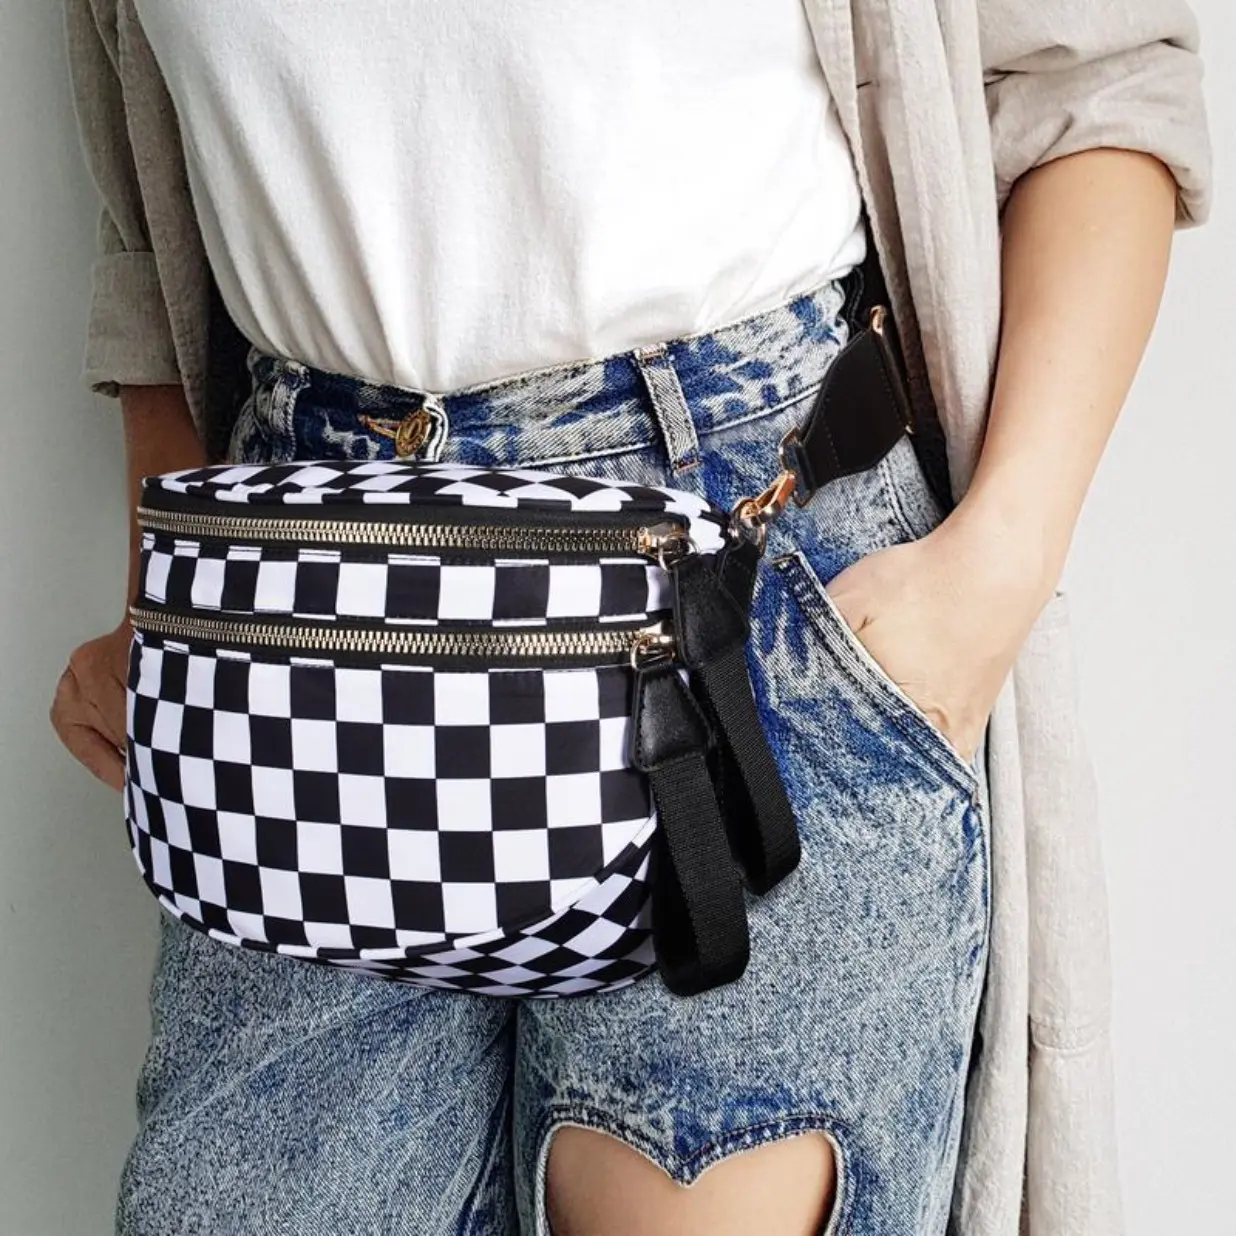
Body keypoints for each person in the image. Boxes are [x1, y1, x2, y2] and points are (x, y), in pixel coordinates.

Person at [52, 2, 1211, 1233]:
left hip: (748, 582)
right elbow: (152, 237)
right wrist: (166, 602)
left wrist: (998, 564)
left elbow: (1093, 80)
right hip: (300, 635)